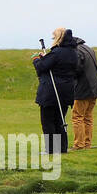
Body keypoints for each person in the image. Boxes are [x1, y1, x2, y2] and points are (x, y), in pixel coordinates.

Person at [32, 27, 79, 155]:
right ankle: (62, 148)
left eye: (54, 37)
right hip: (66, 91)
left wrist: (37, 60)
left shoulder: (57, 52)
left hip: (51, 91)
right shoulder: (73, 53)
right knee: (60, 120)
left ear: (59, 38)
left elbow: (42, 67)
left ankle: (51, 149)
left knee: (48, 121)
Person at [71, 36, 97, 150]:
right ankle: (87, 144)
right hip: (94, 89)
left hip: (83, 89)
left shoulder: (77, 51)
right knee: (88, 117)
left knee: (77, 116)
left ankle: (79, 145)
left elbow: (77, 69)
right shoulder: (89, 49)